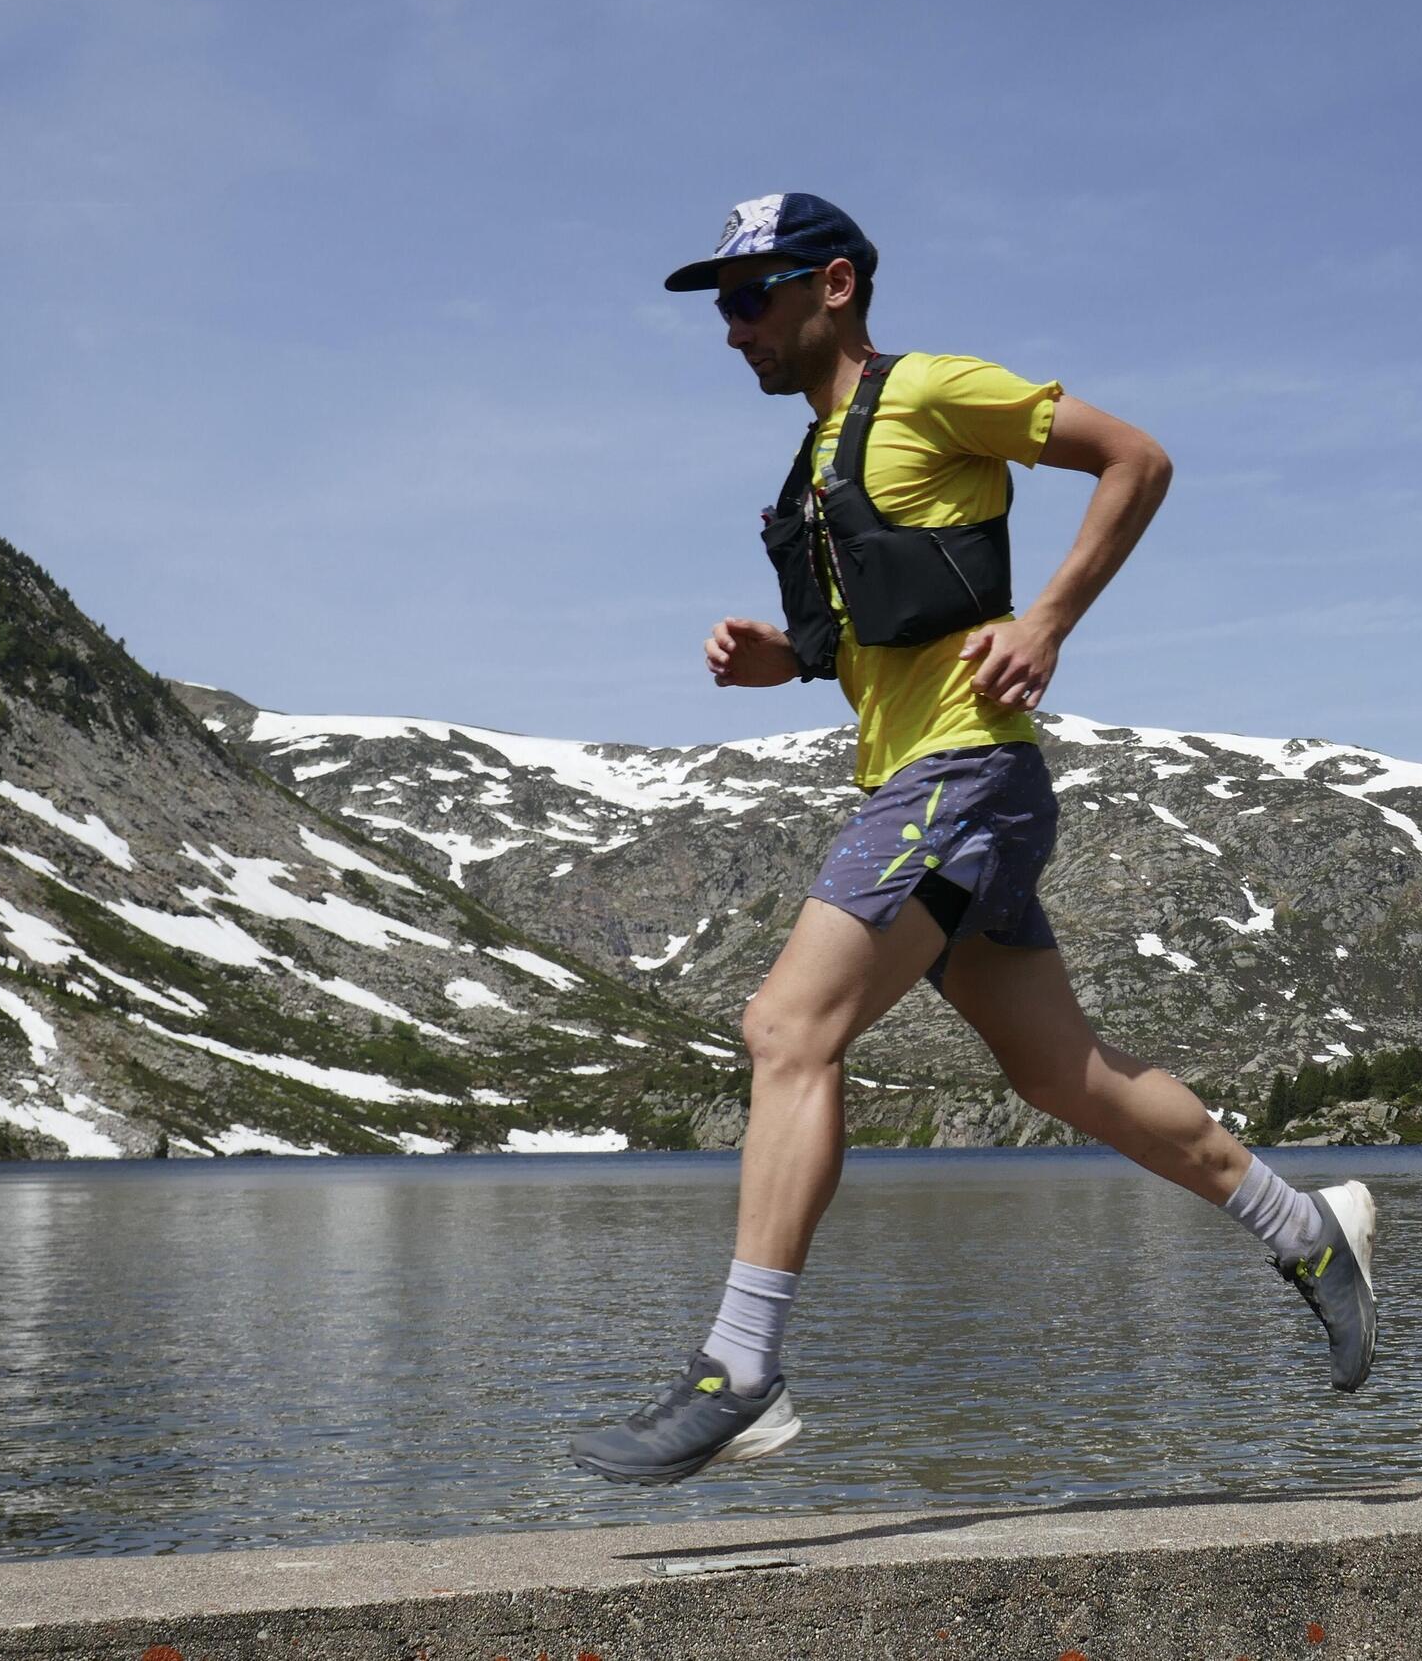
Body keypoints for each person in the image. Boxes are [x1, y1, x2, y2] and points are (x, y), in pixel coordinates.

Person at [568, 194, 1378, 1486]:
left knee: (787, 1029)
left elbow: (1138, 459)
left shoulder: (936, 391)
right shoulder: (814, 466)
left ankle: (742, 1369)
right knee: (1065, 1079)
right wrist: (787, 657)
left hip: (964, 773)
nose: (732, 329)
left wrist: (1049, 620)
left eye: (751, 297)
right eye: (720, 308)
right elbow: (883, 631)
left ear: (834, 284)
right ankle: (1307, 1229)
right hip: (928, 780)